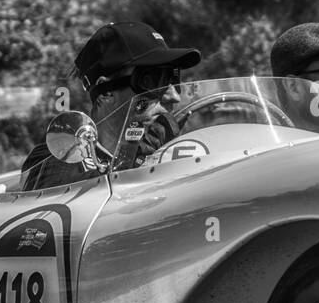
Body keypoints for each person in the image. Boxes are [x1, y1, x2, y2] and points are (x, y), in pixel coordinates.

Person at [19, 22, 200, 190]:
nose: (174, 96)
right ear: (106, 92)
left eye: (173, 78)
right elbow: (50, 189)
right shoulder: (57, 155)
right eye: (152, 80)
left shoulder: (153, 142)